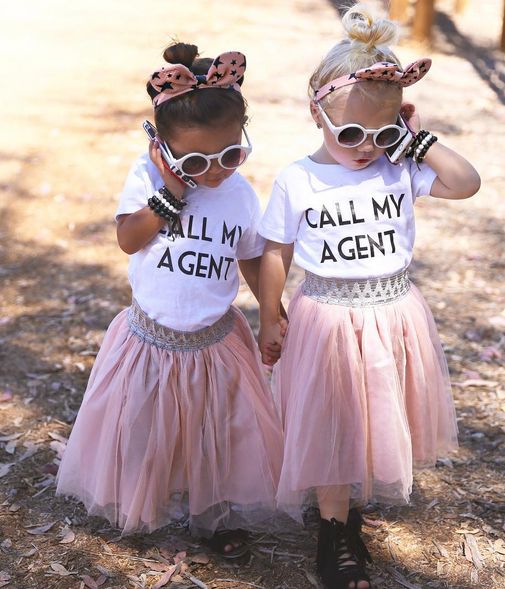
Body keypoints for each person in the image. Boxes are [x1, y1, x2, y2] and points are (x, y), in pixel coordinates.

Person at [258, 4, 480, 588]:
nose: (364, 146)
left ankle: (351, 502)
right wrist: (269, 314)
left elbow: (466, 182)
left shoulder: (397, 167)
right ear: (317, 116)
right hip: (327, 317)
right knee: (332, 421)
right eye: (351, 132)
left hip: (391, 314)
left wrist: (412, 141)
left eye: (380, 133)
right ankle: (336, 529)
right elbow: (276, 251)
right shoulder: (298, 178)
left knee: (376, 415)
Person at [56, 42, 283, 558]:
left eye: (232, 153)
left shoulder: (240, 193)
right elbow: (129, 239)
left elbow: (250, 256)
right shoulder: (146, 176)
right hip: (149, 341)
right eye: (198, 159)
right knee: (145, 428)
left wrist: (272, 312)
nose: (218, 169)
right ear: (162, 147)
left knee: (218, 434)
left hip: (214, 342)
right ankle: (148, 498)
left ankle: (217, 512)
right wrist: (172, 190)